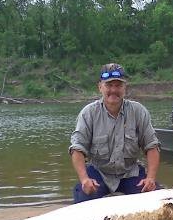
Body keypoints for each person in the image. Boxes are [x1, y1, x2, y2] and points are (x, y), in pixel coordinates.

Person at [69, 63, 161, 203]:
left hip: (130, 172)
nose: (113, 90)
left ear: (125, 88)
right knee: (83, 195)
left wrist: (151, 178)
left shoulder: (138, 111)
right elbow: (77, 149)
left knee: (156, 198)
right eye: (109, 85)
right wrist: (84, 179)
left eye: (118, 85)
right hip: (99, 172)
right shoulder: (88, 113)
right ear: (100, 87)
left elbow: (152, 146)